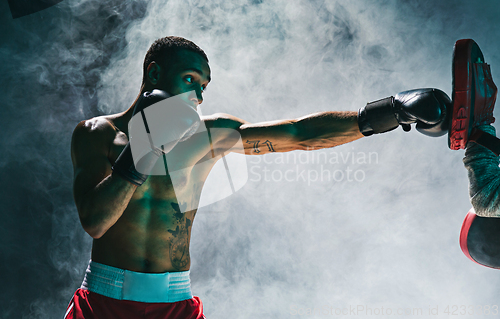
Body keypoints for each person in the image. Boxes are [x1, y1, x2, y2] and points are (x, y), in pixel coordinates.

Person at [65, 36, 450, 318]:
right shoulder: (97, 134)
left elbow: (298, 135)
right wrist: (143, 151)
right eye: (190, 80)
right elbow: (96, 223)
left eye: (204, 87)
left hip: (173, 306)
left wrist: (387, 113)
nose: (199, 97)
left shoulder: (207, 137)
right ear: (154, 72)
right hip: (101, 303)